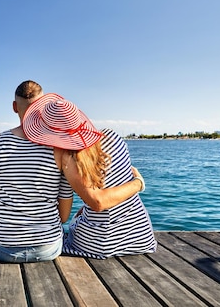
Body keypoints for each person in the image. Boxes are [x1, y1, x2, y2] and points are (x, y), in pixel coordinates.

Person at [0, 81, 144, 263]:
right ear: (44, 108)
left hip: (2, 248)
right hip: (47, 248)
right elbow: (63, 217)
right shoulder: (60, 149)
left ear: (15, 107)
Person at [22, 93, 157, 259]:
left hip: (99, 244)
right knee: (79, 215)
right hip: (140, 237)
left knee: (62, 234)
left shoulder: (68, 159)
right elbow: (111, 184)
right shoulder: (112, 136)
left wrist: (138, 184)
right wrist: (137, 182)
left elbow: (98, 202)